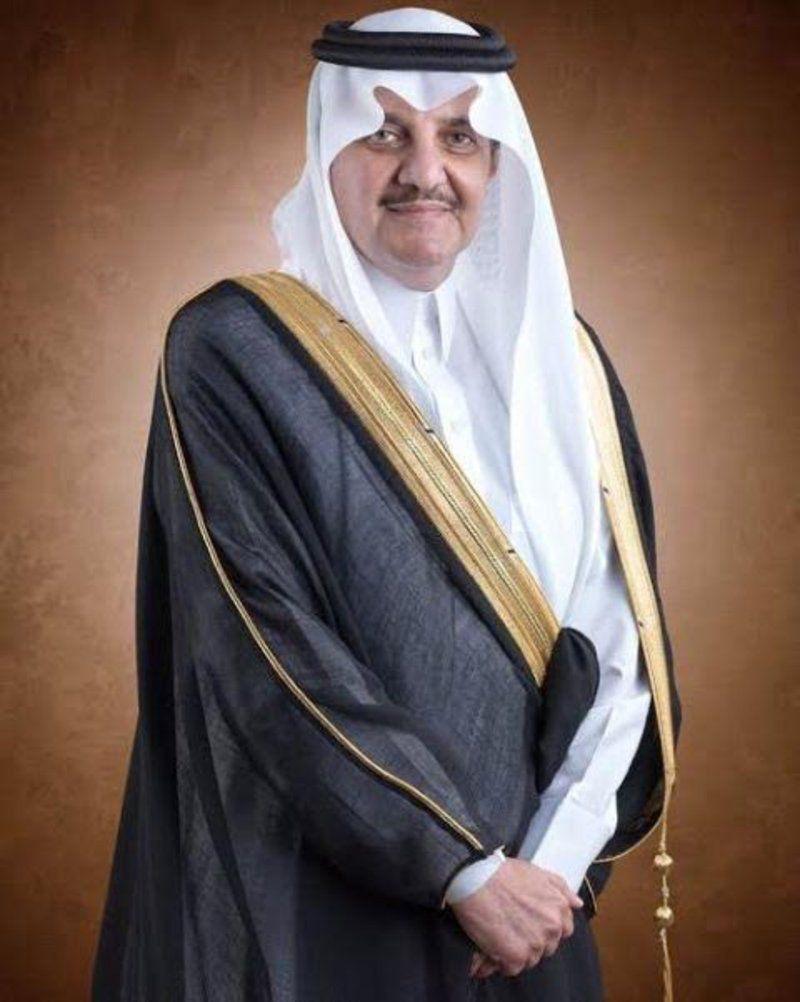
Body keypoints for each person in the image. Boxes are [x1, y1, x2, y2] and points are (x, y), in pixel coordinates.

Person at [91, 8, 681, 1002]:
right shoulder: (233, 350)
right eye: (384, 133)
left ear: (496, 162)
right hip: (319, 899)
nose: (425, 172)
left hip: (535, 911)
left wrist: (549, 867)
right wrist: (462, 869)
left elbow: (618, 639)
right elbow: (265, 645)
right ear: (327, 151)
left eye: (459, 136)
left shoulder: (562, 358)